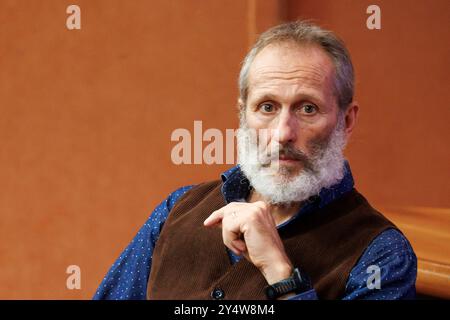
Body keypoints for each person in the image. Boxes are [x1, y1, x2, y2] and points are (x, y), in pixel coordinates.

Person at [94, 20, 416, 300]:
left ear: (346, 121)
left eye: (307, 108)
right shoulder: (177, 210)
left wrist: (281, 274)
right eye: (267, 107)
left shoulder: (381, 255)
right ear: (242, 115)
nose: (283, 134)